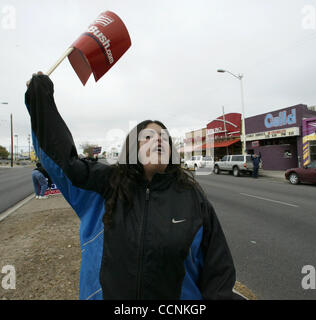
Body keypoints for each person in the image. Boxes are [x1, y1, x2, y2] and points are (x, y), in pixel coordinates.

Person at [25, 72, 241, 300]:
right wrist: (40, 100)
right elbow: (63, 162)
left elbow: (218, 270)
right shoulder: (105, 185)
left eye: (164, 138)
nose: (158, 140)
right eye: (148, 137)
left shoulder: (192, 197)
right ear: (132, 148)